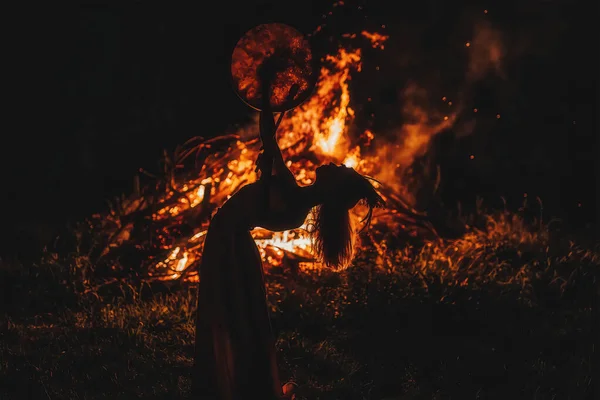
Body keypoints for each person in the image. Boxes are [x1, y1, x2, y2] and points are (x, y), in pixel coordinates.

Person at [192, 59, 384, 400]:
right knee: (236, 320)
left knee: (233, 319)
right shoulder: (293, 193)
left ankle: (235, 387)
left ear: (333, 190)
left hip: (230, 246)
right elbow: (269, 139)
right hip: (229, 241)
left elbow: (268, 140)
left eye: (339, 169)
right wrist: (270, 100)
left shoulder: (295, 203)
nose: (334, 163)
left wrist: (267, 92)